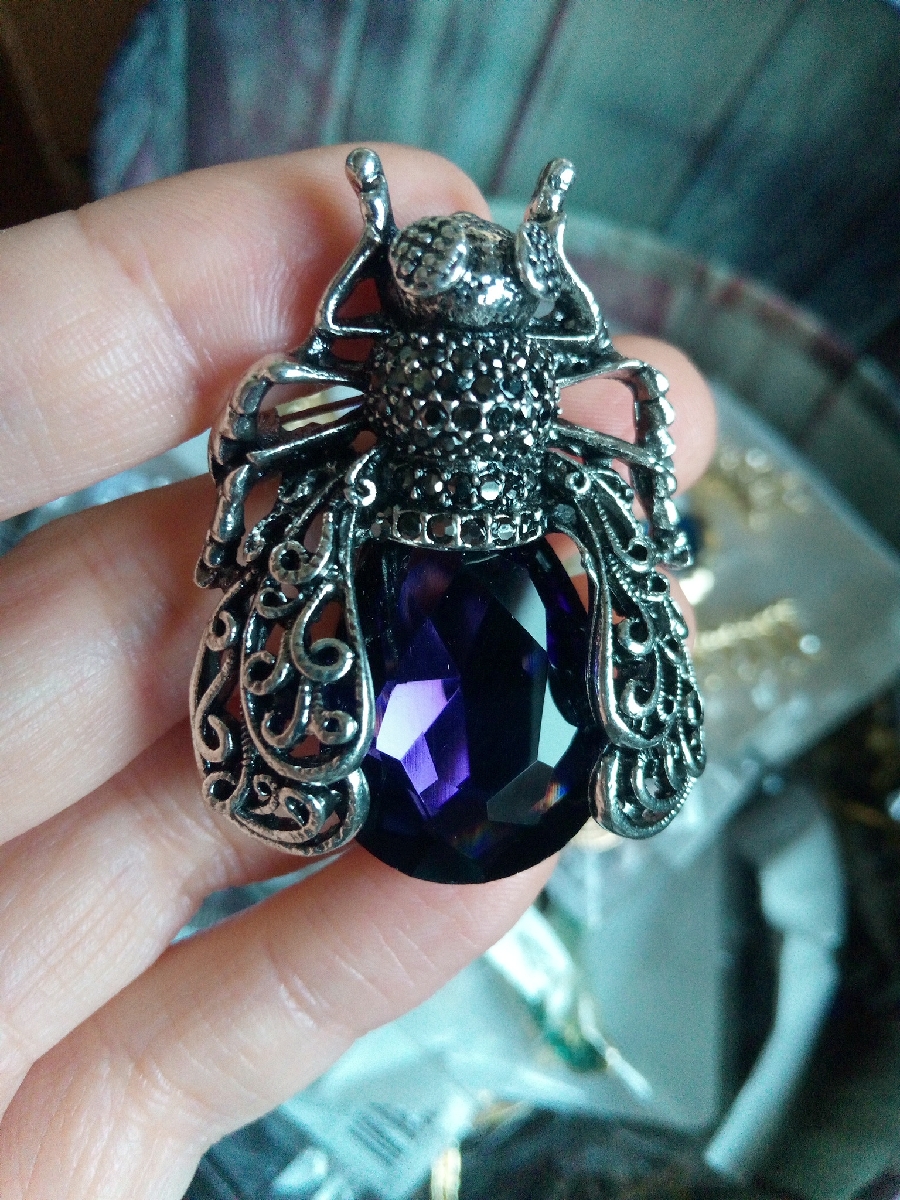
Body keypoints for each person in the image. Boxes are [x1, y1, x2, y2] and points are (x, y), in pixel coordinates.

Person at [0, 144, 715, 1199]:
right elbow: (290, 386)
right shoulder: (453, 357)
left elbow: (321, 362)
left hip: (456, 517)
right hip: (417, 517)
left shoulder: (411, 349)